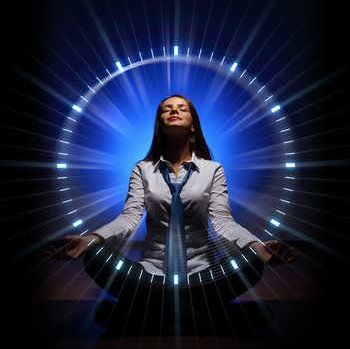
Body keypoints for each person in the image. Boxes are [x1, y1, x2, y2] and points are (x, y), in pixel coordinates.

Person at [46, 94, 297, 332]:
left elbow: (223, 222)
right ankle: (209, 317)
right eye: (167, 109)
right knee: (94, 256)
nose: (174, 110)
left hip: (202, 276)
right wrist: (89, 240)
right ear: (159, 124)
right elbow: (130, 217)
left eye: (182, 108)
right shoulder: (142, 170)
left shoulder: (213, 170)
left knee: (253, 262)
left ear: (193, 127)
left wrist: (257, 246)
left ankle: (144, 315)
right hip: (150, 275)